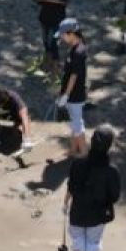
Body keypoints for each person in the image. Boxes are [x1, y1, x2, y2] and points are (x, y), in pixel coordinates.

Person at [62, 125, 120, 251]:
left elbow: (70, 188)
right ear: (108, 146)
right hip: (97, 217)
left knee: (77, 248)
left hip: (77, 214)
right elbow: (115, 197)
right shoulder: (112, 171)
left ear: (91, 142)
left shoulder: (78, 163)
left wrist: (65, 205)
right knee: (93, 250)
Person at [55, 18, 89, 156]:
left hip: (75, 95)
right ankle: (73, 149)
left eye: (63, 35)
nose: (62, 38)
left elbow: (74, 76)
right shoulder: (74, 48)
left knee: (77, 124)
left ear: (71, 34)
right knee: (74, 123)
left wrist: (66, 95)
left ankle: (85, 152)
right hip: (71, 93)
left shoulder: (79, 52)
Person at [33, 0, 68, 74]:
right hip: (45, 14)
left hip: (57, 16)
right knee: (45, 39)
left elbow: (63, 1)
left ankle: (56, 63)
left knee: (53, 41)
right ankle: (48, 61)